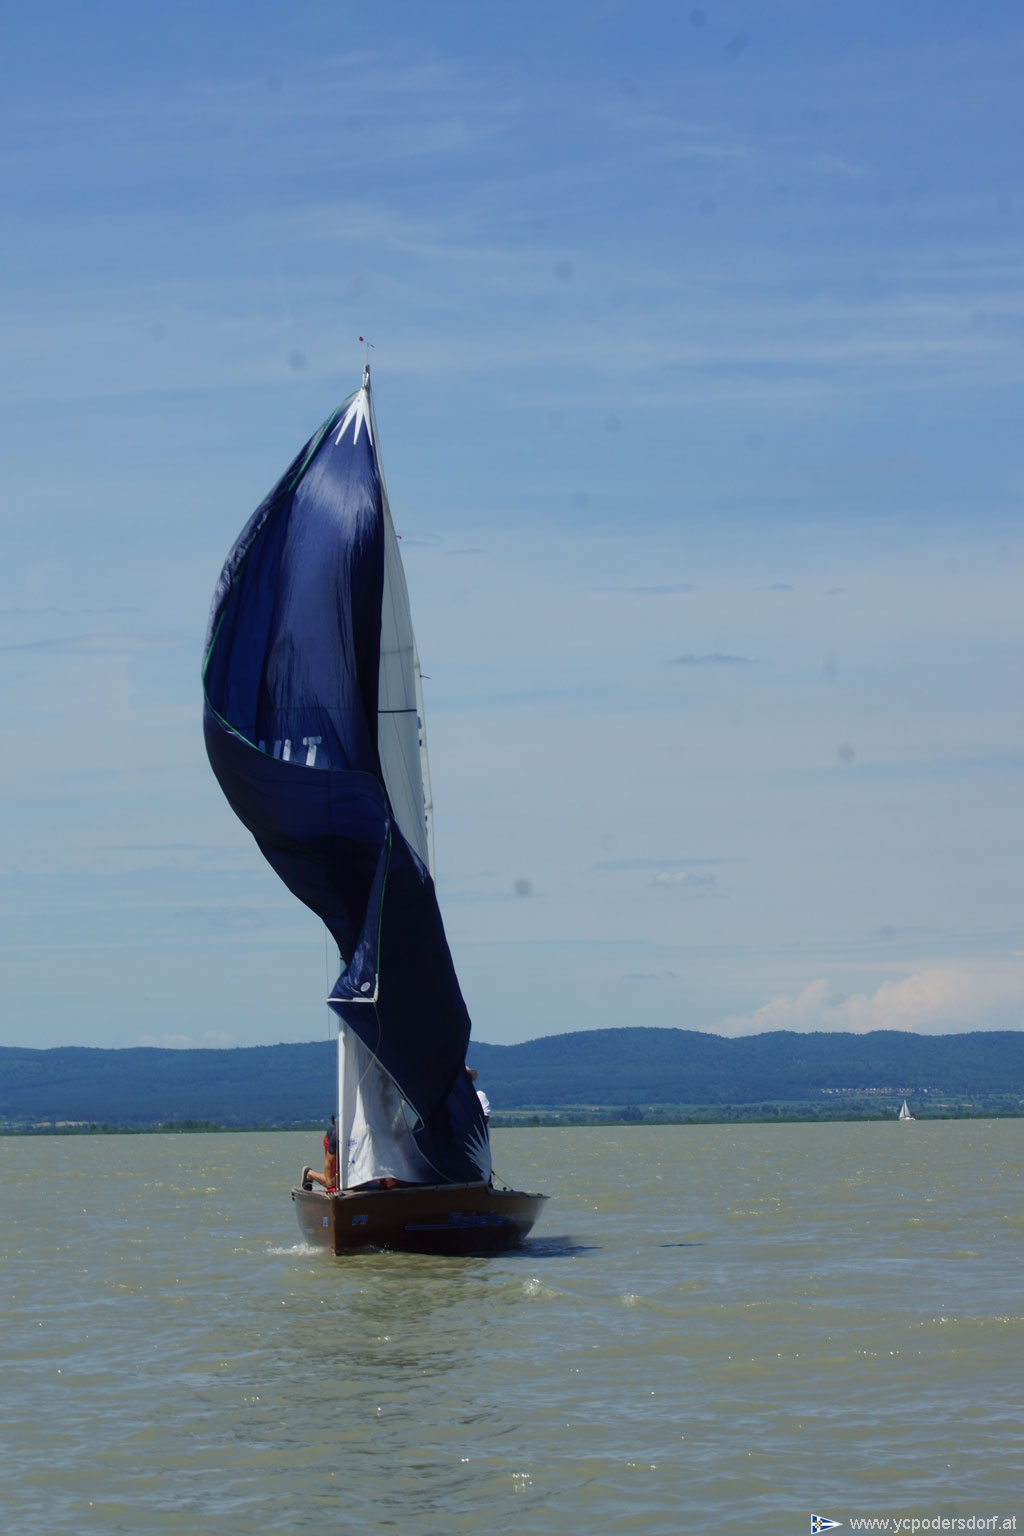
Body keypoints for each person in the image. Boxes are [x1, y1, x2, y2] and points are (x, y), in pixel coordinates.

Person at [302, 1114, 339, 1191]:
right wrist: (330, 1187)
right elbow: (328, 1162)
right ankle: (309, 1174)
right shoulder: (336, 1136)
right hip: (330, 1141)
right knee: (335, 1182)